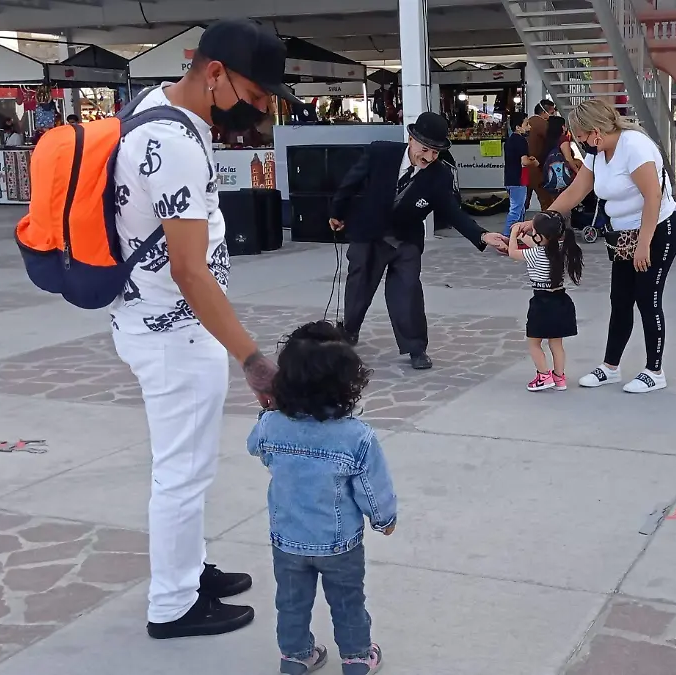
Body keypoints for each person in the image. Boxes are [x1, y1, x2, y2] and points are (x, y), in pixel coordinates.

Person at [108, 18, 306, 640]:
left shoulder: (152, 109)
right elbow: (192, 273)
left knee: (187, 467)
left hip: (159, 321)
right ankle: (172, 604)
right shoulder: (182, 149)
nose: (261, 111)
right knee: (181, 472)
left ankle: (189, 569)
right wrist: (252, 359)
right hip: (173, 331)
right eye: (254, 97)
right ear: (214, 73)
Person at [247, 321, 395, 675]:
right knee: (348, 602)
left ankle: (296, 657)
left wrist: (269, 413)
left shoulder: (271, 424)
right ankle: (357, 659)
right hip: (339, 544)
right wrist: (383, 519)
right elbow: (372, 487)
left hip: (287, 540)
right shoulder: (355, 435)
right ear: (348, 385)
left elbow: (258, 448)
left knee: (292, 603)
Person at [518, 99, 676, 394]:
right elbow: (575, 191)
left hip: (658, 228)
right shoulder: (597, 153)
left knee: (647, 297)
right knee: (620, 299)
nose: (579, 142)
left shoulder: (635, 146)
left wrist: (644, 243)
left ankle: (654, 371)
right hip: (622, 233)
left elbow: (653, 197)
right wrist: (542, 219)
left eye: (580, 136)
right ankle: (611, 366)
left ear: (595, 131)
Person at [328, 111, 509, 370]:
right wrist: (337, 213)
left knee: (407, 291)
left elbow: (451, 211)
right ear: (411, 139)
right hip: (370, 233)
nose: (428, 157)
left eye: (435, 153)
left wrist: (481, 235)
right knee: (359, 285)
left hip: (406, 240)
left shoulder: (440, 175)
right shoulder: (381, 153)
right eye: (425, 149)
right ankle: (350, 330)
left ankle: (416, 348)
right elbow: (350, 182)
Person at [509, 211, 582, 392]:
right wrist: (523, 235)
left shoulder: (534, 254)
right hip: (561, 301)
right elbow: (536, 243)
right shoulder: (561, 250)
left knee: (534, 343)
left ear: (541, 236)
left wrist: (512, 234)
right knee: (556, 344)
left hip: (542, 303)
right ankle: (559, 378)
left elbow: (512, 252)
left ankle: (543, 376)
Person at [504, 112, 535, 236]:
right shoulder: (521, 141)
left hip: (510, 179)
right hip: (519, 179)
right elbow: (524, 161)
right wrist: (533, 161)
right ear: (518, 127)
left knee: (519, 210)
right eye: (526, 124)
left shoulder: (509, 140)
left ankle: (517, 236)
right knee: (516, 211)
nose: (529, 127)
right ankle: (507, 237)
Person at [526, 99, 558, 209]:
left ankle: (515, 224)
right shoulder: (543, 124)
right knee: (547, 201)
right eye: (552, 112)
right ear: (544, 112)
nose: (553, 115)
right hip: (536, 167)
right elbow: (553, 140)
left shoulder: (528, 122)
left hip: (523, 168)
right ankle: (547, 224)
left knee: (521, 203)